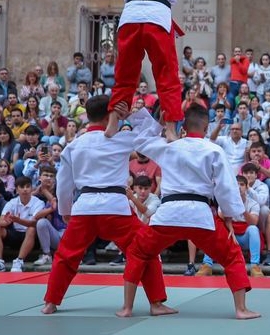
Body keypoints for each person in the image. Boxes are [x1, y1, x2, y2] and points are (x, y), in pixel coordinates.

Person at [50, 0, 260, 140]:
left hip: (130, 18)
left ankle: (112, 123)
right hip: (157, 18)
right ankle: (169, 128)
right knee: (166, 75)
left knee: (125, 75)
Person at [123, 104, 260, 320]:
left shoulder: (169, 147)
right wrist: (229, 218)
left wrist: (159, 120)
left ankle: (129, 307)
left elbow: (140, 142)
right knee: (232, 256)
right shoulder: (214, 149)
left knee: (139, 252)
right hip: (200, 215)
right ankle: (241, 309)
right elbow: (225, 187)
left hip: (168, 213)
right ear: (206, 128)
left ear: (184, 126)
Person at [41, 96, 172, 316]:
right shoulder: (122, 139)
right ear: (110, 114)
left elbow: (64, 185)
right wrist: (130, 115)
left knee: (66, 255)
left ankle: (51, 302)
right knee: (144, 249)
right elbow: (151, 131)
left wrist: (65, 211)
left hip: (85, 207)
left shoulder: (73, 145)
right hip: (115, 207)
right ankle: (156, 303)